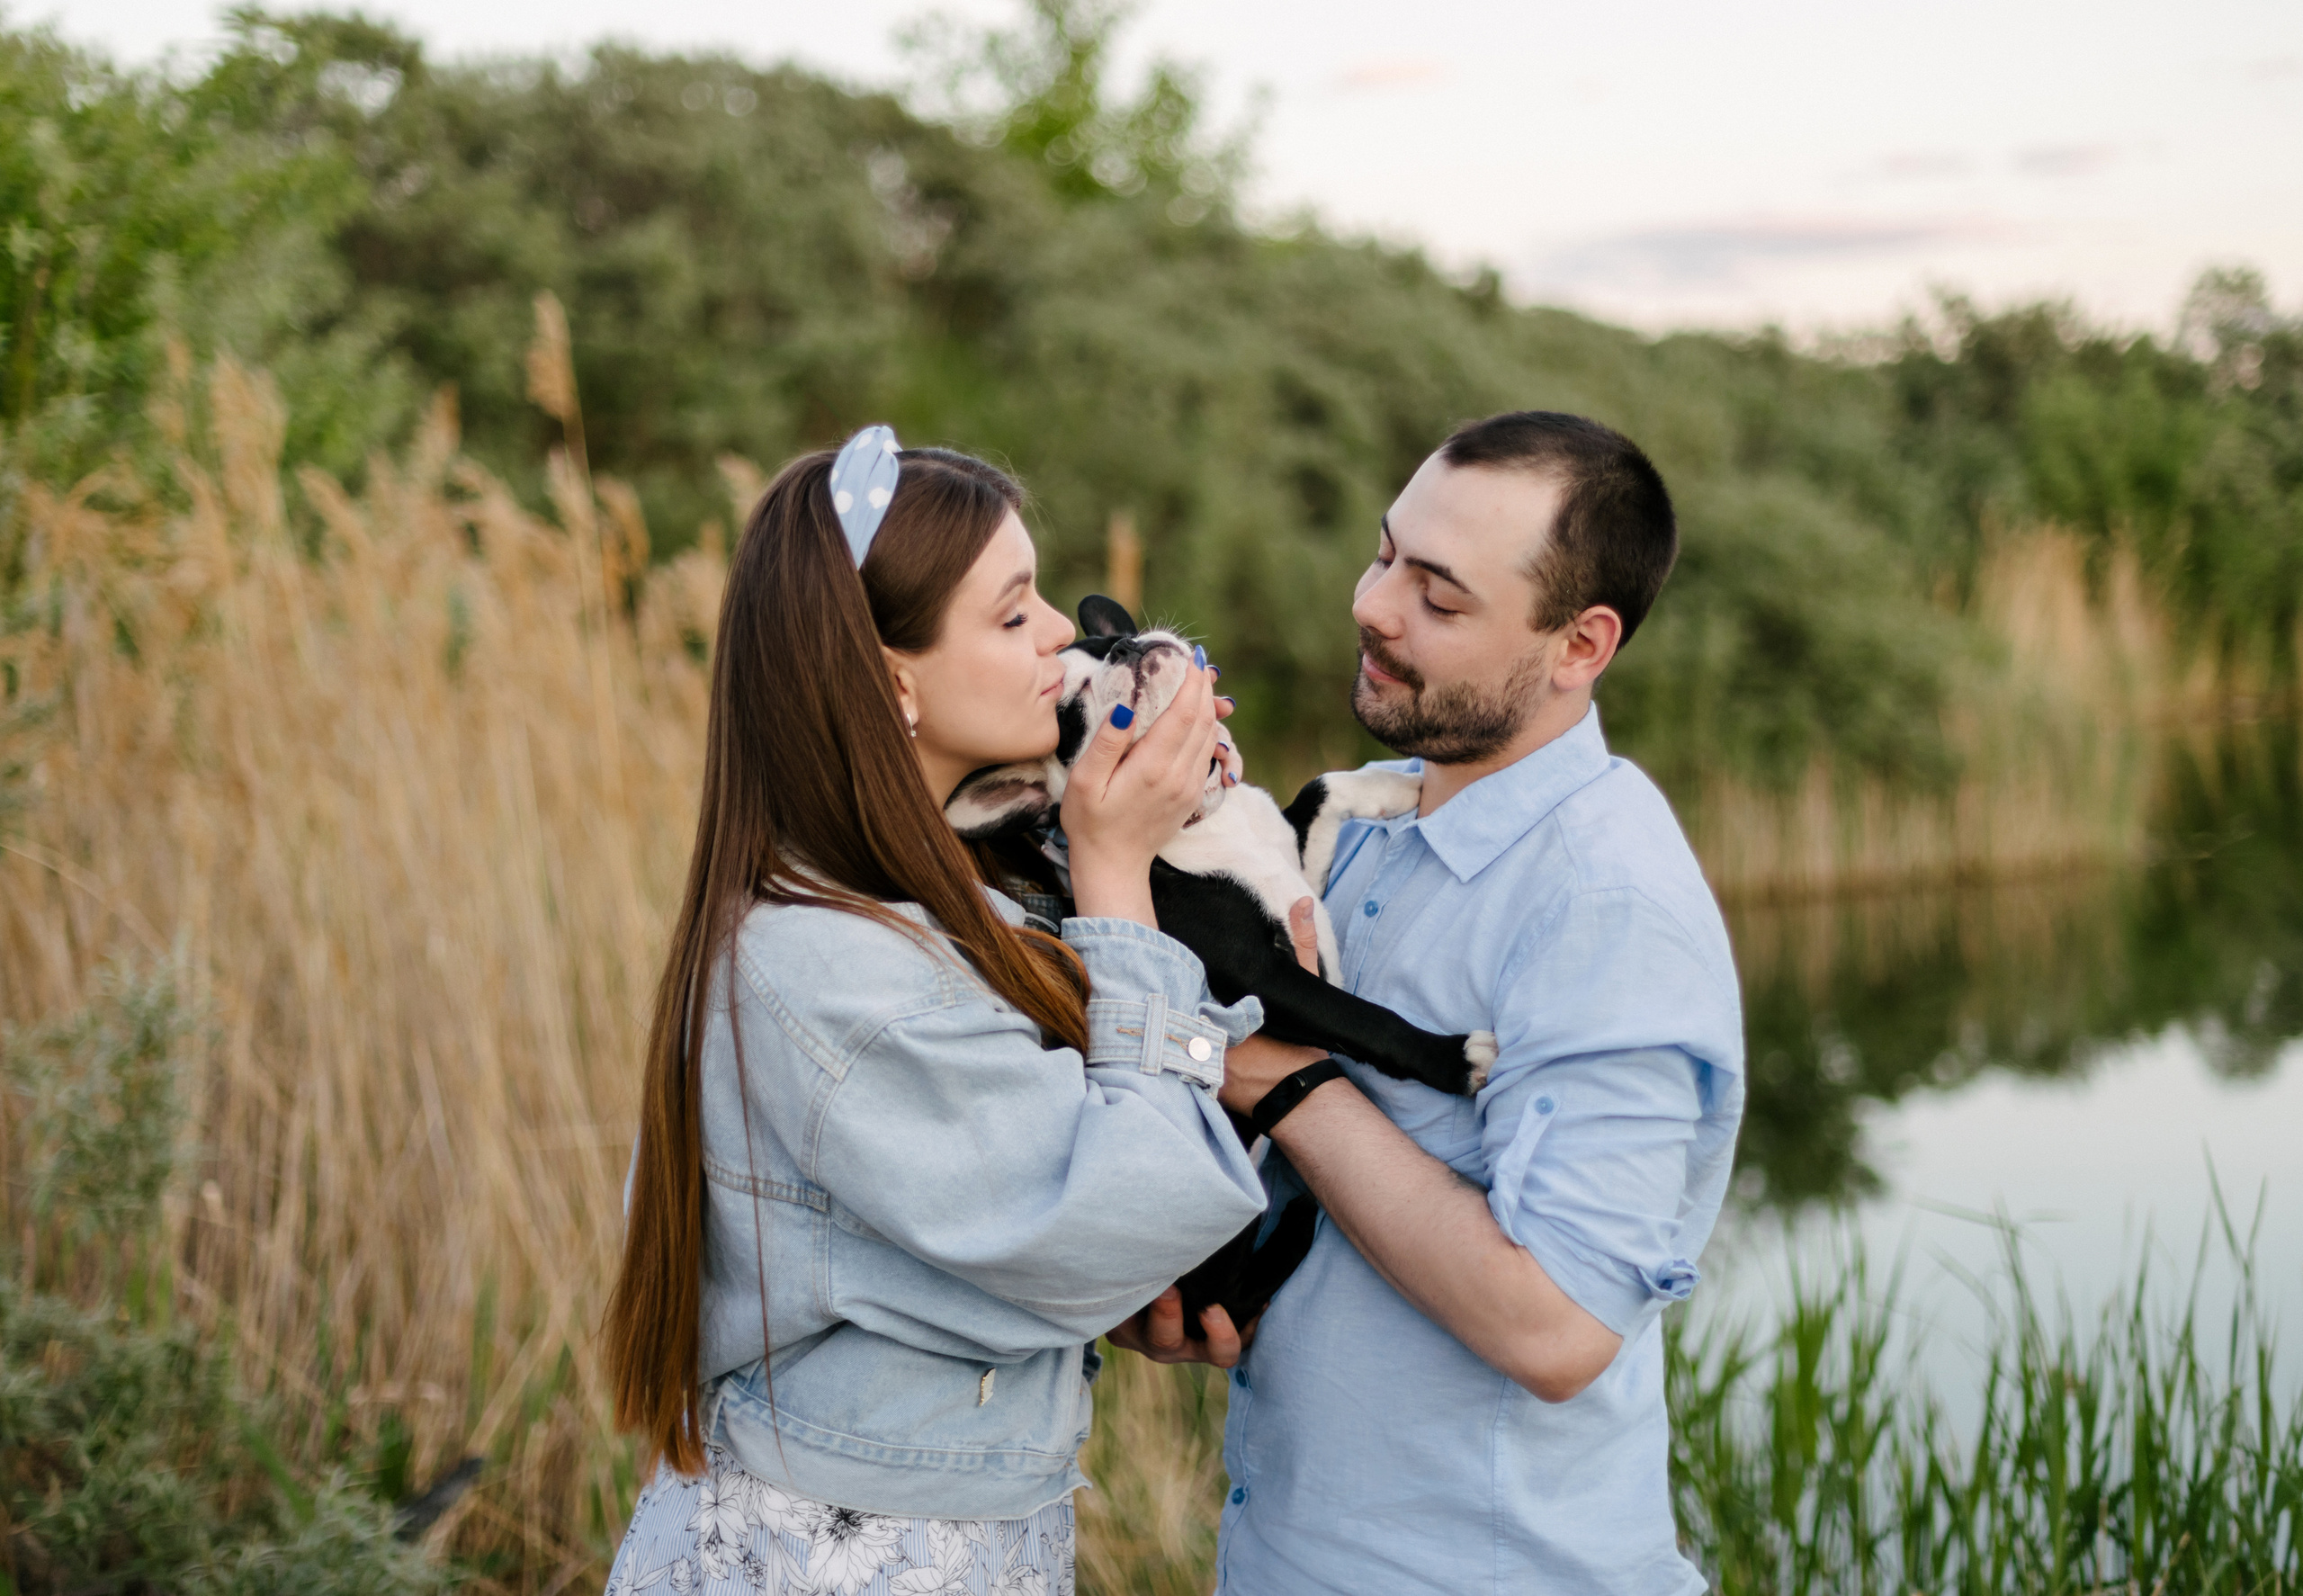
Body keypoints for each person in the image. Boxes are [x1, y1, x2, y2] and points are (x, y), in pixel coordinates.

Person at [599, 428, 1270, 1596]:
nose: (1065, 629)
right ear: (894, 680)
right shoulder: (826, 966)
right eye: (1013, 614)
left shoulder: (923, 905)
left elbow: (1029, 1210)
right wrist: (1115, 875)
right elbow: (1132, 1203)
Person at [1122, 411, 1746, 1594]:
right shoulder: (1363, 827)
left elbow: (1557, 1328)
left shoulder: (1606, 906)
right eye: (1383, 554)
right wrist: (1171, 1272)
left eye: (1439, 598)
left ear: (1579, 645)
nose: (1373, 604)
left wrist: (1275, 1073)